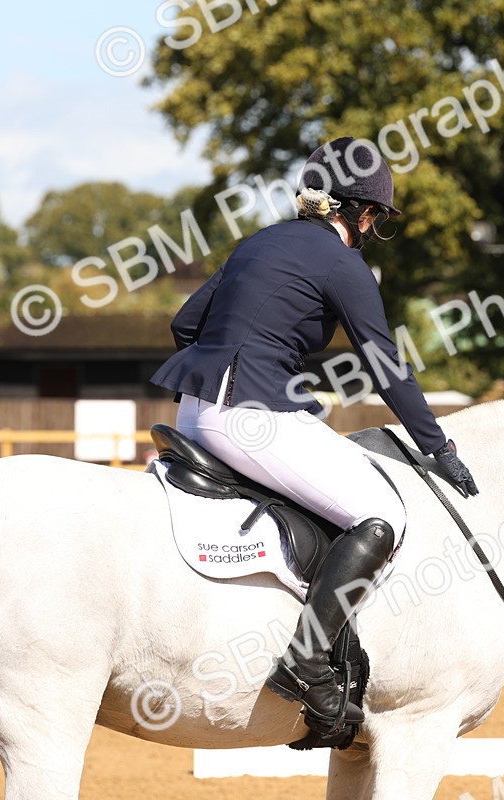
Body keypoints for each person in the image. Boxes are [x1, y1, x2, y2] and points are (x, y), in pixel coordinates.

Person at [150, 137, 479, 732]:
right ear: (359, 211)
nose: (373, 225)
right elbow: (384, 364)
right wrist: (438, 448)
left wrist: (245, 366)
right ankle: (306, 663)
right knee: (381, 515)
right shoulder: (341, 263)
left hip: (194, 411)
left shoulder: (259, 242)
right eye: (374, 215)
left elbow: (186, 322)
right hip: (248, 417)